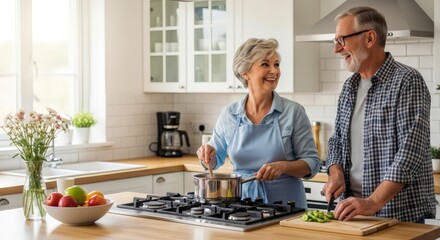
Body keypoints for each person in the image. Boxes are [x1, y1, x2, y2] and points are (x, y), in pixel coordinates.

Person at [323, 6, 435, 223]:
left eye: (342, 40)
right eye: (335, 41)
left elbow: (409, 153)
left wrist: (372, 203)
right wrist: (335, 174)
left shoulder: (407, 81)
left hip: (398, 214)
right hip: (353, 211)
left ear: (370, 38)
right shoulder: (349, 87)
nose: (337, 49)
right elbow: (336, 141)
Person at [196, 38, 320, 208]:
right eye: (265, 64)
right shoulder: (229, 114)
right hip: (241, 206)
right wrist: (206, 155)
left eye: (276, 65)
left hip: (287, 207)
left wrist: (283, 167)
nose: (274, 71)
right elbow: (214, 161)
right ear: (245, 72)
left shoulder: (293, 112)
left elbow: (312, 163)